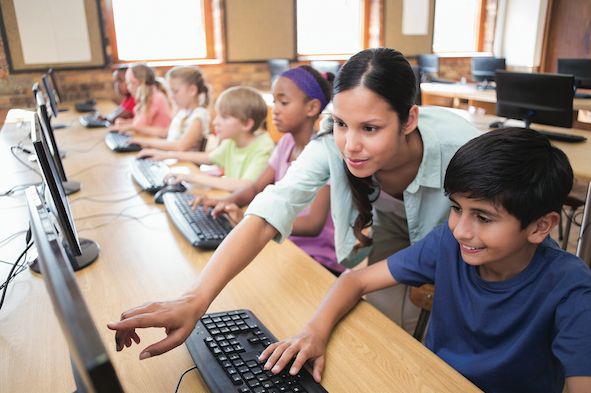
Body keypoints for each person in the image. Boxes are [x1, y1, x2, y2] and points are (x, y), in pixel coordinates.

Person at [107, 48, 479, 357]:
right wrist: (194, 299)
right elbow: (273, 207)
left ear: (409, 119)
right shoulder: (332, 145)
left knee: (453, 319)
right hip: (390, 216)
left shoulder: (461, 149)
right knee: (383, 327)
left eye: (370, 128)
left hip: (462, 234)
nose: (350, 144)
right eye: (342, 124)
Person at [257, 127, 591, 393]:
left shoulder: (569, 285)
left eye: (484, 218)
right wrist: (314, 332)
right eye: (457, 208)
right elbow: (355, 279)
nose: (461, 230)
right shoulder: (447, 244)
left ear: (541, 226)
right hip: (428, 381)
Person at [197, 65, 343, 275]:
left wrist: (251, 217)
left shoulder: (323, 154)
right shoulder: (285, 144)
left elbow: (313, 224)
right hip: (283, 243)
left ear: (311, 108)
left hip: (318, 259)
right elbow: (256, 187)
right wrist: (225, 202)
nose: (275, 109)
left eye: (284, 102)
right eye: (274, 102)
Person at [138, 86, 274, 192]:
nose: (215, 122)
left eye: (224, 117)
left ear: (246, 124)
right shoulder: (232, 141)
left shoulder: (264, 146)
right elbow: (209, 158)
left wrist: (192, 178)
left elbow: (245, 185)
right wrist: (166, 155)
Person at [129, 66, 211, 152]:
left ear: (192, 90)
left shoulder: (199, 116)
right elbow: (164, 132)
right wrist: (134, 129)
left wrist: (148, 143)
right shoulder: (182, 112)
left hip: (184, 163)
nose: (172, 96)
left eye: (175, 91)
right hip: (172, 159)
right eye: (171, 91)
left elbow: (180, 146)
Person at [113, 63, 173, 137]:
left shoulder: (155, 98)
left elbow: (139, 127)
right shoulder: (146, 97)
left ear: (138, 83)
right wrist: (125, 122)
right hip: (151, 139)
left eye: (130, 83)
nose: (128, 88)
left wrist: (127, 127)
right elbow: (140, 123)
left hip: (158, 140)